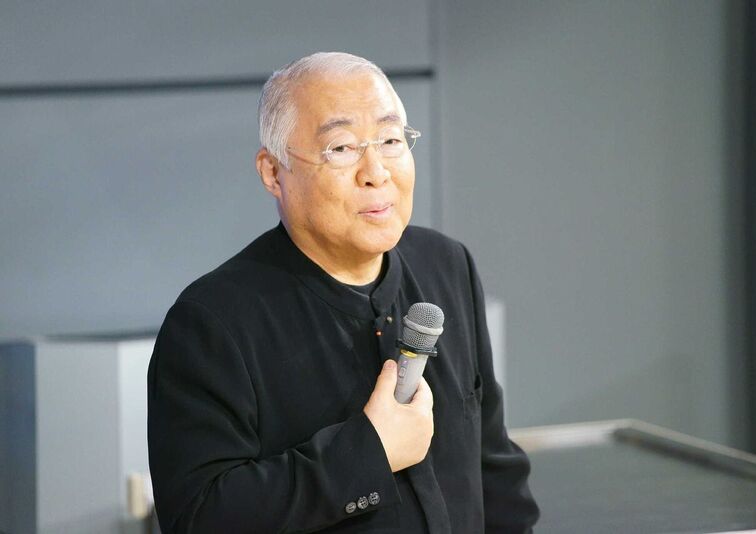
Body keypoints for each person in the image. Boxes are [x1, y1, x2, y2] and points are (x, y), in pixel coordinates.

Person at [147, 51, 539, 533]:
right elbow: (199, 517)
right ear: (273, 172)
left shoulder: (447, 265)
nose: (376, 172)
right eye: (341, 148)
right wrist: (368, 452)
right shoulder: (212, 323)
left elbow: (495, 472)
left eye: (391, 140)